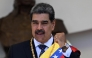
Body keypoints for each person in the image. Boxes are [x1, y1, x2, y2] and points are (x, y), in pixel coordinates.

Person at [8, 3, 81, 58]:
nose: (39, 28)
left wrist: (63, 46)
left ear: (52, 25)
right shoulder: (15, 51)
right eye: (35, 23)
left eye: (44, 23)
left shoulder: (63, 48)